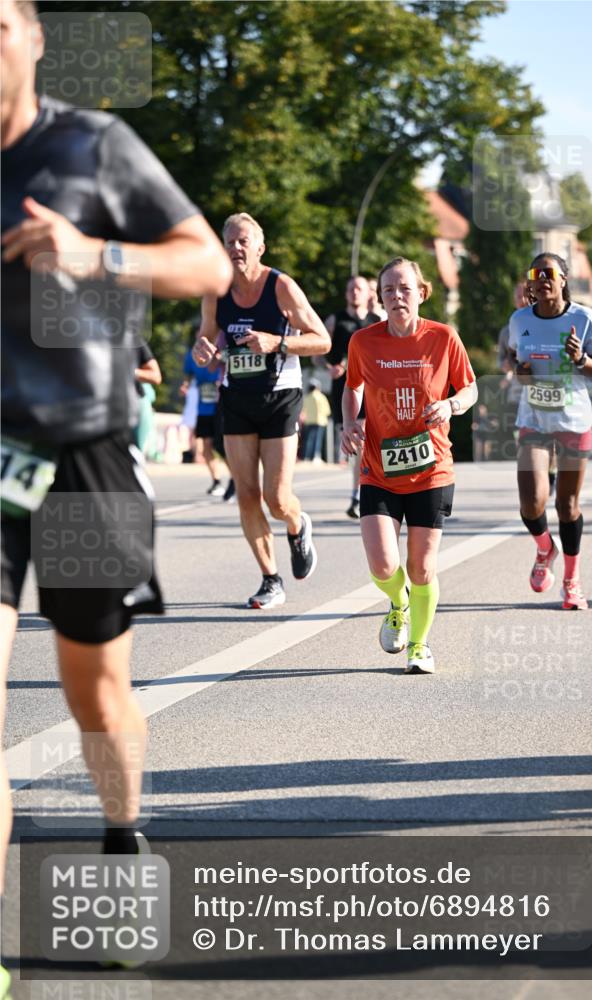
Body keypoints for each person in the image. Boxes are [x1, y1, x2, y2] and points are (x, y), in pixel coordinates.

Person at [0, 0, 232, 986]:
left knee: (95, 694)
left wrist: (97, 255)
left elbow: (206, 260)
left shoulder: (92, 146)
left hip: (84, 449)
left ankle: (123, 839)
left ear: (33, 38)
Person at [342, 257, 477, 674]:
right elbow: (352, 387)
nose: (396, 296)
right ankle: (398, 603)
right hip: (379, 469)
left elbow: (469, 388)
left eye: (404, 288)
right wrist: (350, 422)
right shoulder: (364, 341)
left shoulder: (443, 337)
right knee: (383, 564)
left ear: (421, 292)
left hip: (431, 469)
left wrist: (451, 405)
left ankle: (419, 644)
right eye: (388, 290)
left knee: (421, 567)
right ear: (379, 298)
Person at [193, 213, 330, 609]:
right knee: (247, 494)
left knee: (276, 497)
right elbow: (205, 342)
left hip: (280, 397)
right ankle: (271, 579)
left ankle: (297, 524)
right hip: (237, 397)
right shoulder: (215, 291)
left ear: (260, 248)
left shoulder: (281, 287)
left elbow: (321, 340)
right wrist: (202, 351)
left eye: (243, 241)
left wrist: (277, 343)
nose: (236, 248)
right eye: (230, 242)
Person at [508, 253, 592, 610]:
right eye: (535, 273)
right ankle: (544, 548)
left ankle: (571, 582)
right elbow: (517, 366)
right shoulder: (520, 319)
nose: (542, 279)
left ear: (563, 279)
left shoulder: (584, 318)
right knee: (530, 501)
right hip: (534, 419)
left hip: (573, 421)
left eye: (549, 273)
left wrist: (581, 359)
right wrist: (521, 373)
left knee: (567, 505)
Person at [325, 275, 380, 517]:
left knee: (365, 443)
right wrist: (328, 367)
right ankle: (360, 493)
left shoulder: (376, 321)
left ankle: (360, 495)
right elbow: (318, 351)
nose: (354, 292)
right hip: (345, 389)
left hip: (372, 388)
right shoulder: (335, 320)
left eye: (359, 288)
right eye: (350, 289)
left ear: (368, 293)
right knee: (357, 444)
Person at [180, 345, 231, 496]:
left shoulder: (224, 346)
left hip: (222, 405)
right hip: (203, 407)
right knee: (206, 447)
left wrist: (221, 359)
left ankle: (237, 479)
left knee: (221, 446)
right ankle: (216, 481)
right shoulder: (192, 353)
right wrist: (185, 385)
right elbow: (188, 375)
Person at [134, 340, 162, 456]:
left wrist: (126, 371)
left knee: (134, 453)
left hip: (134, 404)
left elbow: (156, 376)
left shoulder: (132, 339)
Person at [301, 378, 331, 462]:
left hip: (308, 421)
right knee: (317, 440)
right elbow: (327, 411)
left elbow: (303, 410)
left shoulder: (306, 397)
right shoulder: (321, 397)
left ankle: (306, 457)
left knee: (308, 440)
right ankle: (315, 457)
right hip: (320, 421)